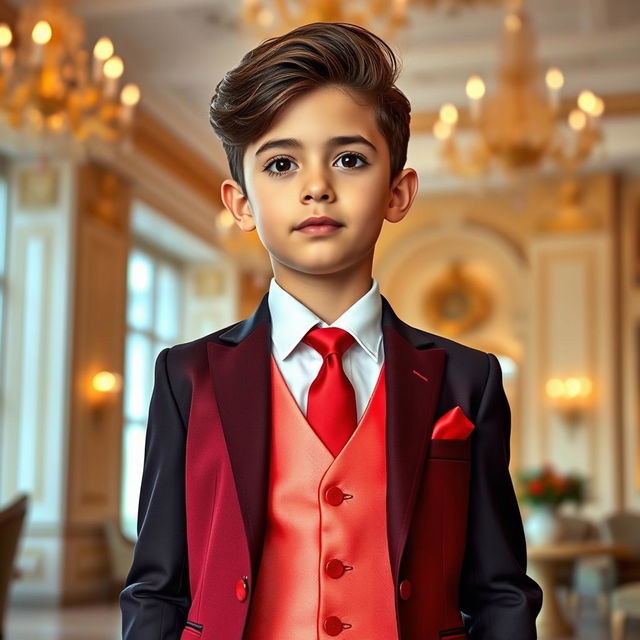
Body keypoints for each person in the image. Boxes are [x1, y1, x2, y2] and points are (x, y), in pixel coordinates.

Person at [120, 21, 542, 640]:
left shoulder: (466, 379)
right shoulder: (187, 377)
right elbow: (157, 588)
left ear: (398, 192)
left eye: (348, 159)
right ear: (240, 204)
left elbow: (499, 590)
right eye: (282, 164)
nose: (317, 186)